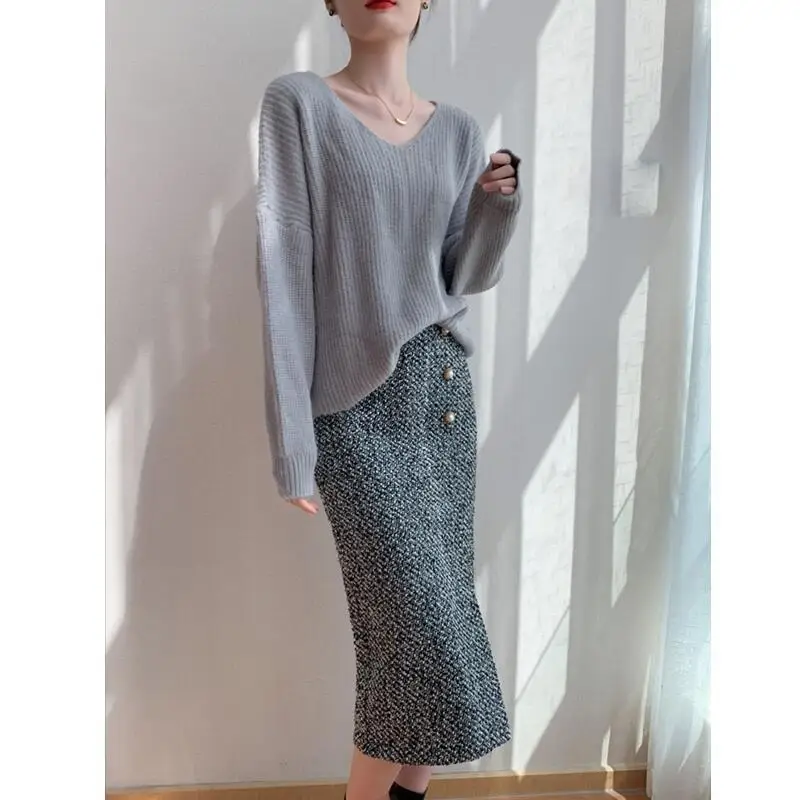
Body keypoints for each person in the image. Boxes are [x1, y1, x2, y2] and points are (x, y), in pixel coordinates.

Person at [256, 1, 522, 798]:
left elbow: (464, 276)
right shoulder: (299, 103)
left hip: (440, 396)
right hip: (354, 408)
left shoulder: (458, 130)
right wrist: (294, 443)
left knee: (440, 630)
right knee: (413, 639)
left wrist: (495, 211)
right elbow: (284, 275)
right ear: (330, 5)